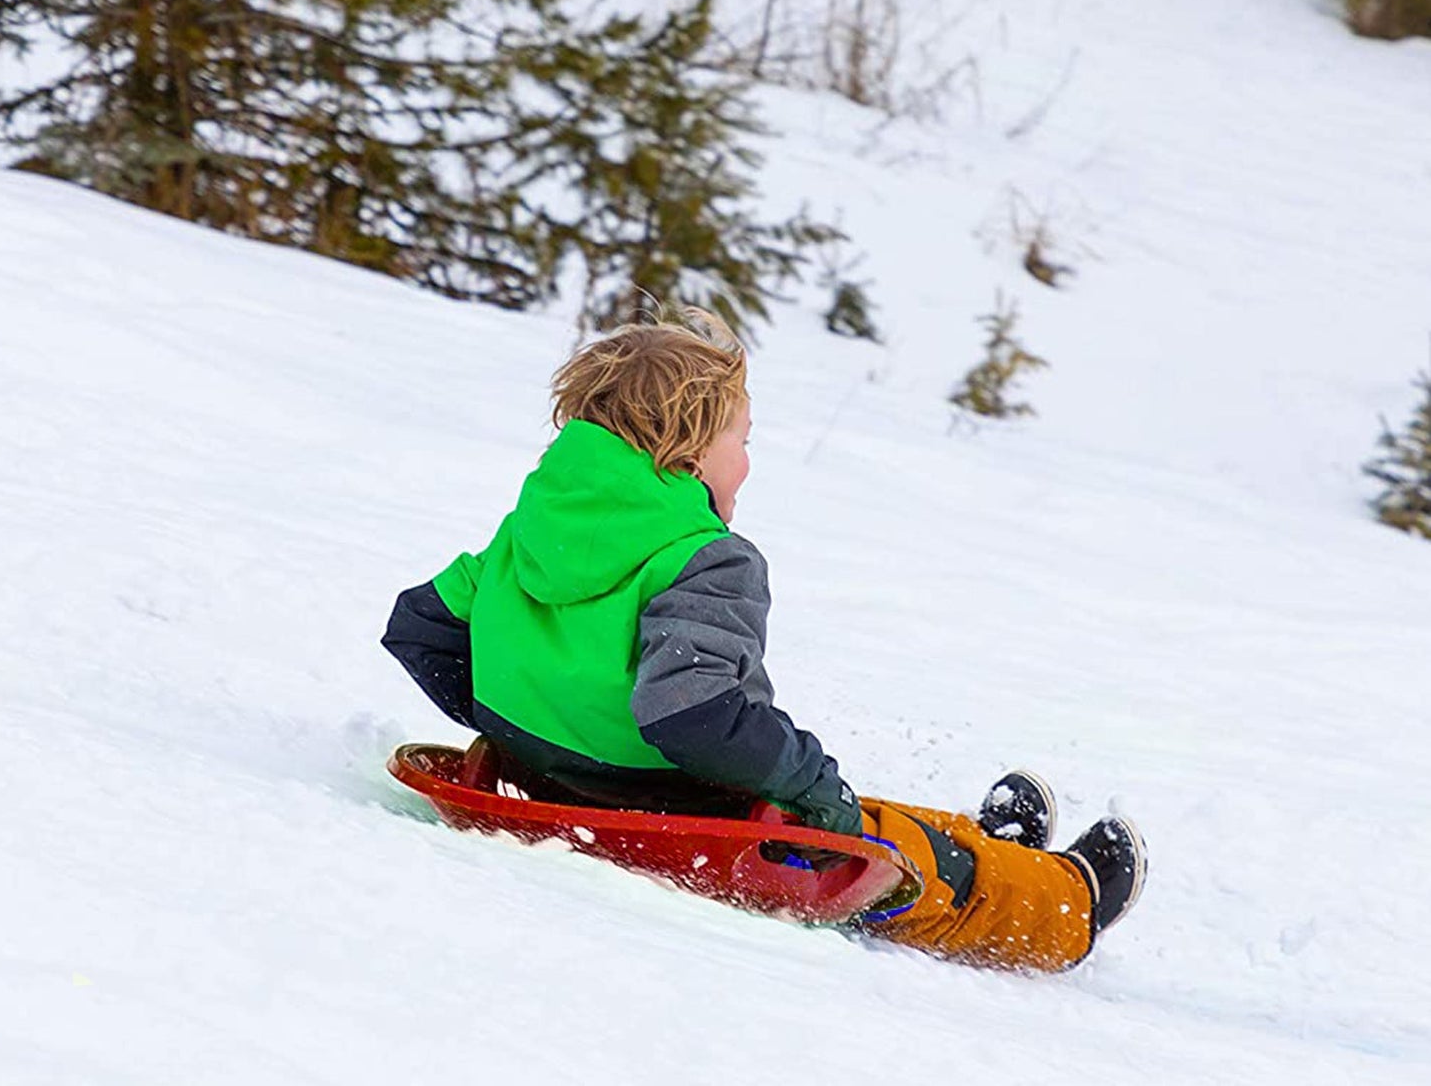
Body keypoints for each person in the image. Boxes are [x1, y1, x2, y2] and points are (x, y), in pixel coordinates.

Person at [383, 309, 1146, 972]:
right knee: (878, 844)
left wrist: (522, 717)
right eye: (741, 439)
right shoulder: (700, 556)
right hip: (676, 806)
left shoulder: (530, 530)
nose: (747, 460)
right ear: (685, 453)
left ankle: (998, 846)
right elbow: (693, 714)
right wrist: (812, 781)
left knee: (841, 803)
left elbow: (421, 627)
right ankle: (1062, 902)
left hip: (552, 782)